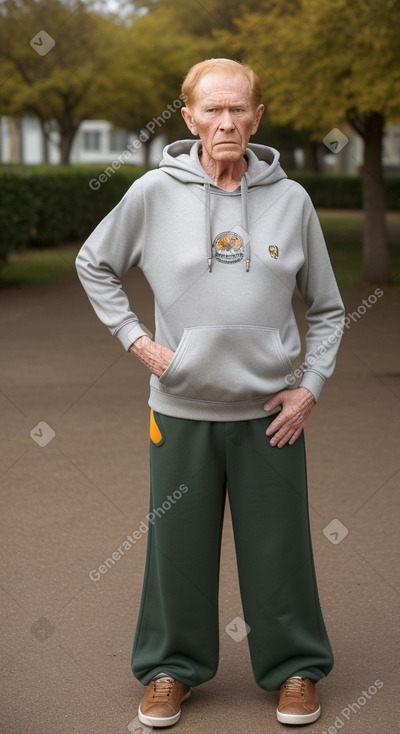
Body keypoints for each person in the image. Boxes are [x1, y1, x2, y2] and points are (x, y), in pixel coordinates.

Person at [76, 58, 344, 728]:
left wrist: (308, 387)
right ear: (188, 115)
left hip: (269, 416)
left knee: (278, 547)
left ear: (257, 116)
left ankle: (294, 670)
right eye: (212, 109)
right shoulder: (151, 193)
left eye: (239, 109)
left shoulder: (291, 200)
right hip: (180, 409)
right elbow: (94, 262)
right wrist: (136, 341)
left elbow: (329, 310)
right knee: (178, 548)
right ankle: (170, 669)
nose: (226, 121)